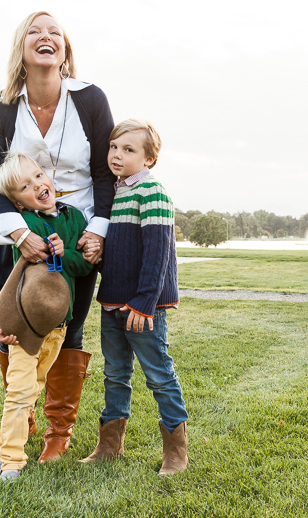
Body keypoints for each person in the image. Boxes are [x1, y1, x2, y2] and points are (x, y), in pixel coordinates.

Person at [0, 11, 115, 463]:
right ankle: (23, 418)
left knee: (67, 325)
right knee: (15, 326)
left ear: (65, 50)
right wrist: (18, 232)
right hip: (20, 228)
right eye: (35, 31)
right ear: (22, 47)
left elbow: (103, 172)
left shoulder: (91, 99)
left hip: (76, 229)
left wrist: (97, 231)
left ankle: (58, 433)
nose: (46, 37)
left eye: (55, 32)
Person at [79, 119, 189, 476]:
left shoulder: (152, 193)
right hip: (111, 302)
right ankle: (109, 445)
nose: (117, 155)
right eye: (114, 147)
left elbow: (158, 256)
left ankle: (176, 452)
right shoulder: (115, 193)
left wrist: (144, 303)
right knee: (115, 374)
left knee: (159, 375)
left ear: (149, 159)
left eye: (128, 150)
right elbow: (121, 248)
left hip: (141, 307)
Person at [0, 151, 94, 481]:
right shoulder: (25, 227)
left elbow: (85, 265)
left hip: (58, 326)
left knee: (33, 387)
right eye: (24, 186)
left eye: (37, 176)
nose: (37, 185)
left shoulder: (74, 218)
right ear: (17, 203)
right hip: (26, 326)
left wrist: (68, 253)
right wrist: (7, 324)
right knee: (20, 390)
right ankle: (11, 460)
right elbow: (10, 280)